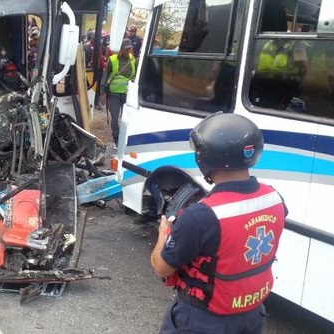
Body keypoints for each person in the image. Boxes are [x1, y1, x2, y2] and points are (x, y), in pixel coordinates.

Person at [151, 113, 287, 333]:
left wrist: (163, 235)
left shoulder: (201, 215)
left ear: (205, 158)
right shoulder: (274, 198)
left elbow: (162, 268)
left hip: (203, 321)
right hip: (252, 315)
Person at [101, 38, 136, 147]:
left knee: (128, 120)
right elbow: (105, 76)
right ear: (121, 49)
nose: (129, 50)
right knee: (115, 120)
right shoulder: (112, 60)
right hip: (114, 95)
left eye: (130, 48)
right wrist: (102, 93)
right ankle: (117, 140)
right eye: (126, 49)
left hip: (128, 95)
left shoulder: (133, 59)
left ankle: (126, 140)